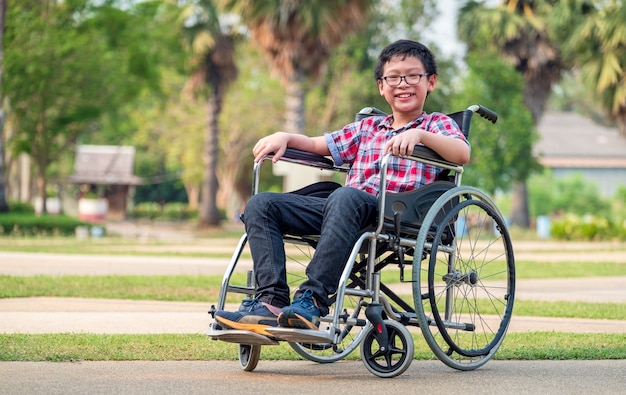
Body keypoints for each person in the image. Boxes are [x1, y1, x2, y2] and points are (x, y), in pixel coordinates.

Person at [215, 39, 470, 334]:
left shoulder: (436, 125)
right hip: (341, 209)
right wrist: (285, 136)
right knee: (261, 204)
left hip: (394, 213)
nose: (403, 84)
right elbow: (315, 145)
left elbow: (461, 154)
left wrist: (420, 136)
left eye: (413, 76)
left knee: (345, 195)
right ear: (381, 86)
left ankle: (311, 300)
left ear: (431, 82)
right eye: (393, 77)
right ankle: (271, 302)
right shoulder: (368, 127)